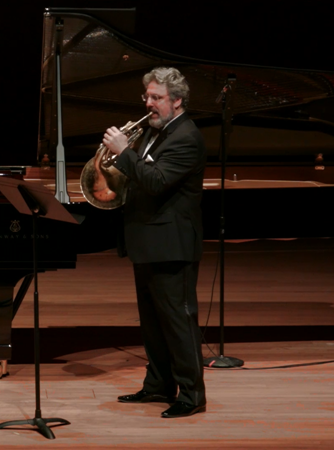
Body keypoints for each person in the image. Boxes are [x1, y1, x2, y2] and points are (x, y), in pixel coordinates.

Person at [102, 67, 207, 418]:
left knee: (178, 322)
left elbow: (157, 181)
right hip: (147, 240)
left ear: (177, 101)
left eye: (156, 97)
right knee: (152, 322)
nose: (148, 103)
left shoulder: (186, 137)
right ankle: (159, 385)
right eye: (147, 96)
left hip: (172, 244)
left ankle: (191, 395)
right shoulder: (153, 130)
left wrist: (124, 152)